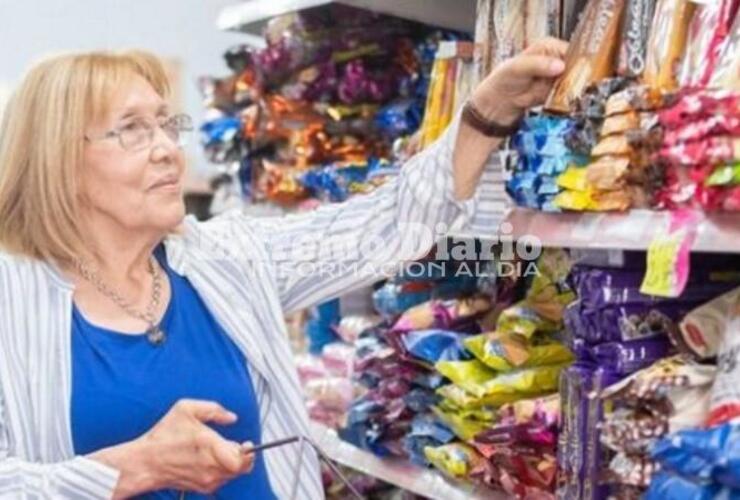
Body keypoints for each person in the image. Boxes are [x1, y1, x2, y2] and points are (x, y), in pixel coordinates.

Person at [0, 38, 567, 499]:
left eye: (166, 125)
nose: (167, 150)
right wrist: (133, 468)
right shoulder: (11, 303)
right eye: (132, 130)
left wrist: (486, 112)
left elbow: (386, 226)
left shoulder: (226, 259)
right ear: (59, 161)